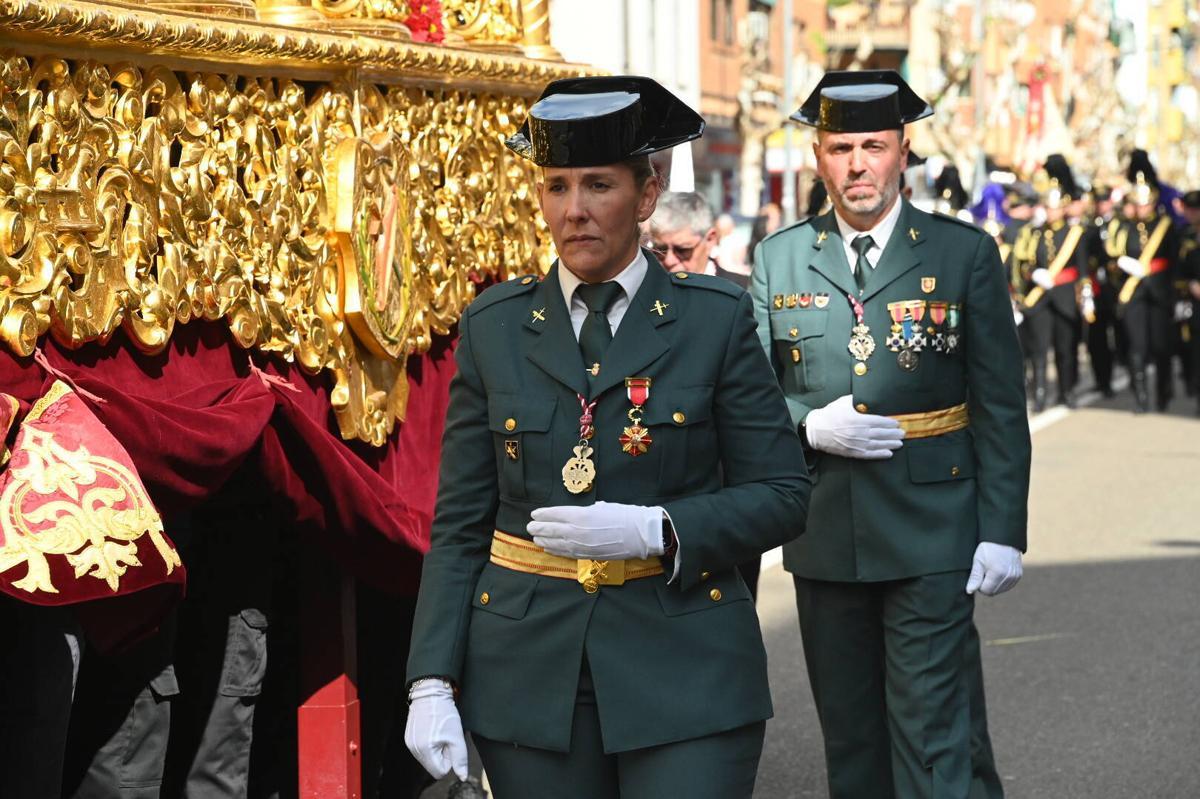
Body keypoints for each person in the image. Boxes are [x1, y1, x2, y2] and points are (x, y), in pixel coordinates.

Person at [403, 75, 811, 799]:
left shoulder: (712, 320)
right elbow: (461, 523)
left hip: (687, 662)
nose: (575, 210)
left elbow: (783, 495)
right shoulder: (495, 327)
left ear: (647, 193)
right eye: (556, 186)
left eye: (598, 185)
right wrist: (430, 676)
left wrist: (662, 528)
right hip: (530, 670)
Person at [750, 70, 1030, 799]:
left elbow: (999, 404)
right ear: (818, 156)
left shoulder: (960, 253)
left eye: (873, 145)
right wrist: (806, 424)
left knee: (931, 728)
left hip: (932, 529)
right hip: (825, 530)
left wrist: (1003, 529)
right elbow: (744, 399)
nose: (857, 163)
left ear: (903, 151)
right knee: (851, 737)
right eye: (840, 146)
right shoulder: (779, 257)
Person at [1010, 157, 1086, 409]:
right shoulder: (1035, 233)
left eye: (1055, 207)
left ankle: (1067, 391)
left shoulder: (1075, 233)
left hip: (1065, 295)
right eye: (1048, 207)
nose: (1051, 211)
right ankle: (1040, 394)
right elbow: (1025, 262)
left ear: (1064, 207)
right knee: (1040, 350)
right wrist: (1033, 274)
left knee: (1066, 349)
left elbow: (1083, 270)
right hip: (1040, 297)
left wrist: (1085, 299)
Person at [1107, 166, 1180, 413]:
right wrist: (1121, 264)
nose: (1141, 209)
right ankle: (1140, 395)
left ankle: (1163, 392)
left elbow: (1175, 260)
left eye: (1145, 204)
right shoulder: (1125, 227)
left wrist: (1175, 289)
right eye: (1137, 205)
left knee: (1161, 347)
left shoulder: (1165, 226)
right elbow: (1112, 258)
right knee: (1137, 346)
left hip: (1160, 291)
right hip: (1133, 293)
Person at [648, 193, 749, 286]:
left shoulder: (742, 292)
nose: (669, 261)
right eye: (660, 250)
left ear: (710, 240)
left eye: (682, 250)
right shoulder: (644, 291)